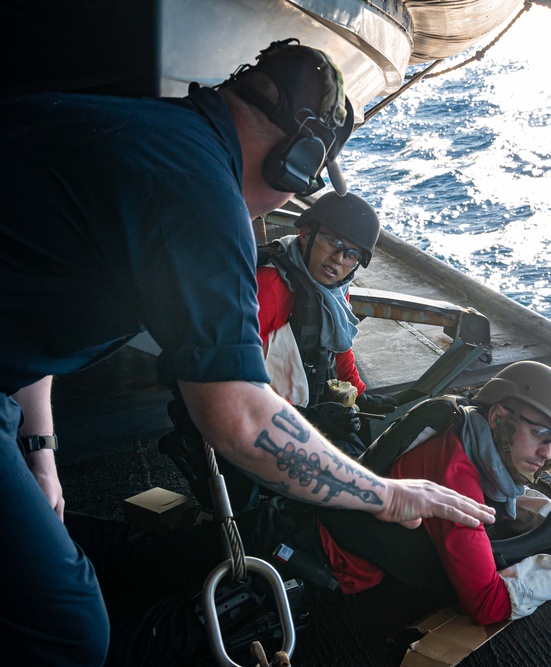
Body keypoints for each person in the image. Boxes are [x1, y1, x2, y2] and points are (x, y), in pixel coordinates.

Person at [0, 38, 494, 666]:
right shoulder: (200, 192)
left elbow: (32, 307)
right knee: (67, 627)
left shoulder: (152, 132)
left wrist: (40, 453)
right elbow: (239, 418)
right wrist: (389, 496)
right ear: (298, 161)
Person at [317, 360, 551, 625]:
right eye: (540, 434)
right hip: (341, 568)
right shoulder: (455, 479)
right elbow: (487, 605)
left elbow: (496, 485)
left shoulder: (465, 432)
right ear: (498, 417)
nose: (547, 454)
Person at [256, 191, 397, 426]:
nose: (339, 259)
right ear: (305, 233)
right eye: (334, 242)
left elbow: (337, 342)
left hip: (294, 407)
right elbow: (232, 371)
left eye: (352, 254)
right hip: (258, 416)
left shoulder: (334, 288)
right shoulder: (269, 288)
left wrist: (359, 394)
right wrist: (303, 419)